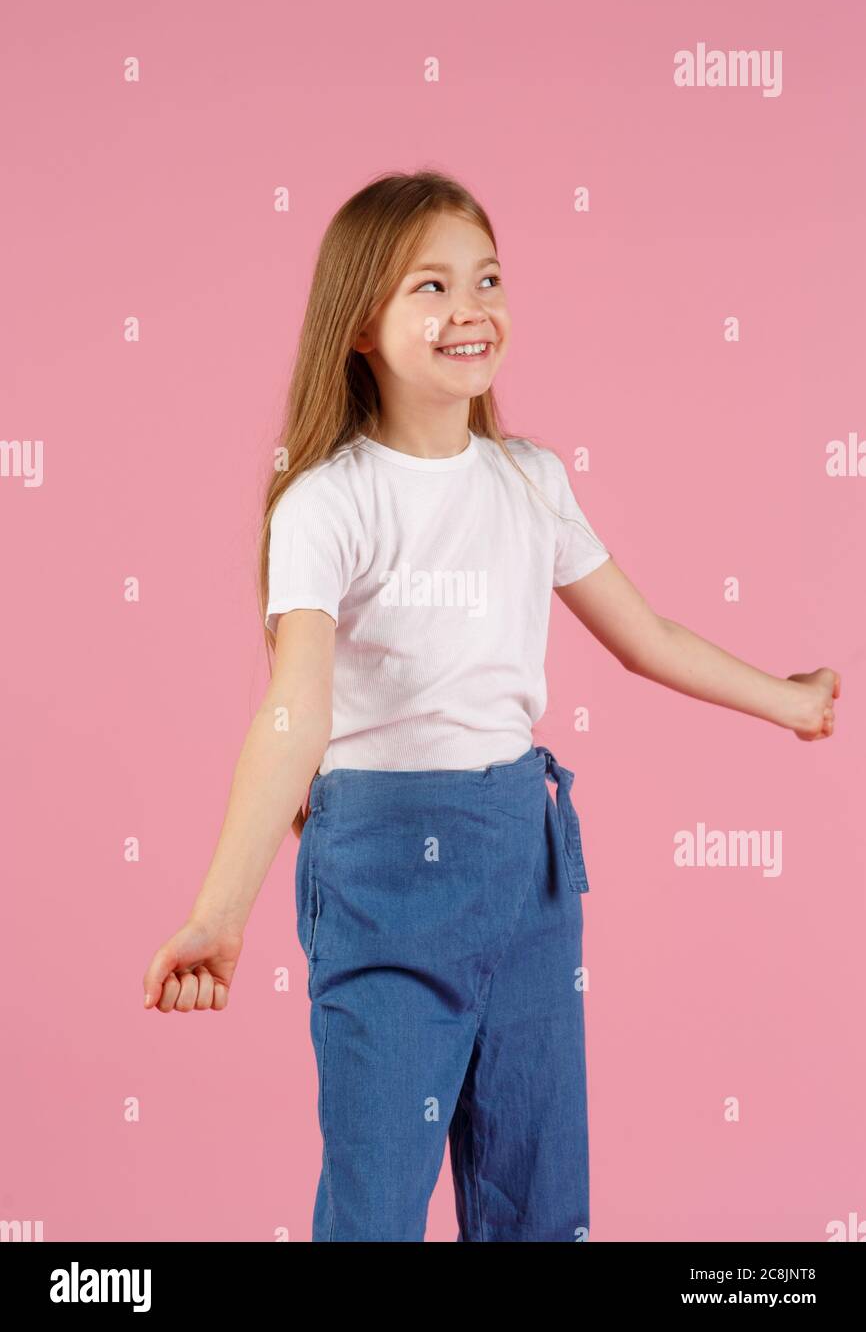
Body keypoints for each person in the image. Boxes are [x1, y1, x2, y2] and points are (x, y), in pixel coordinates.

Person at [142, 169, 841, 1243]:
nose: (469, 307)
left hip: (525, 863)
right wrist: (220, 911)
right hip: (380, 867)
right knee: (376, 1198)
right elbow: (296, 708)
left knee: (535, 1193)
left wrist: (785, 703)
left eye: (487, 277)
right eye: (429, 285)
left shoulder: (529, 479)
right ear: (360, 326)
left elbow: (643, 638)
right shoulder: (330, 501)